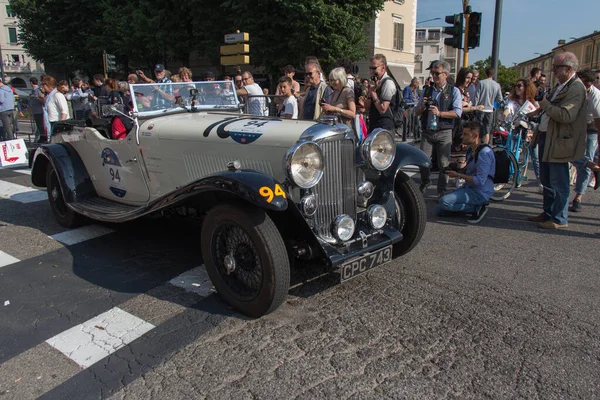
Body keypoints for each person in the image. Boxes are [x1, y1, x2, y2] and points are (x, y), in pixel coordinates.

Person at [528, 52, 587, 229]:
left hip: (559, 141)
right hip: (547, 137)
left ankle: (560, 219)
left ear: (569, 69)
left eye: (556, 67)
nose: (553, 70)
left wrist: (544, 103)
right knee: (547, 180)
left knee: (559, 181)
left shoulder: (576, 88)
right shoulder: (561, 85)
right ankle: (548, 213)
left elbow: (567, 115)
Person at [415, 60, 463, 198]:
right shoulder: (426, 90)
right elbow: (417, 111)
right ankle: (425, 182)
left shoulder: (454, 91)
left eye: (437, 73)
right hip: (428, 131)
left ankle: (441, 190)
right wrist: (422, 106)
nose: (434, 76)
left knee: (444, 163)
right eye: (432, 73)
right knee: (422, 160)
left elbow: (457, 113)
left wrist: (440, 113)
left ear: (445, 74)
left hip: (444, 131)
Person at [437, 121, 495, 223]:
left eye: (466, 134)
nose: (462, 137)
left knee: (444, 202)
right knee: (439, 210)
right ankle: (468, 208)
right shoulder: (471, 149)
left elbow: (479, 181)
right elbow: (469, 169)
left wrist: (458, 175)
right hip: (469, 188)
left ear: (475, 136)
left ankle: (477, 208)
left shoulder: (484, 153)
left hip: (480, 192)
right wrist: (456, 169)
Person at [568, 69, 600, 212]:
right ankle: (592, 166)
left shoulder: (595, 95)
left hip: (592, 129)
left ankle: (578, 197)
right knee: (569, 155)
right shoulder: (572, 88)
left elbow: (598, 122)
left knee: (587, 157)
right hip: (575, 127)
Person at [504, 78, 541, 191]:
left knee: (535, 156)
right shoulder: (512, 101)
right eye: (515, 86)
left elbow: (536, 115)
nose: (517, 88)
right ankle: (510, 173)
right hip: (515, 128)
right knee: (509, 149)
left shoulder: (532, 103)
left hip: (529, 130)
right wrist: (505, 117)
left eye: (519, 85)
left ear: (526, 88)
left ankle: (540, 181)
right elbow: (507, 109)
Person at [366, 53, 397, 132]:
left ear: (383, 68)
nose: (371, 71)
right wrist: (369, 94)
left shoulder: (388, 83)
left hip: (384, 127)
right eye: (370, 68)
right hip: (374, 125)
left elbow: (383, 109)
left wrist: (373, 94)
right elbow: (367, 108)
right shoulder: (376, 83)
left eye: (374, 68)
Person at [473, 67, 502, 144]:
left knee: (478, 128)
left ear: (486, 73)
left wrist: (474, 107)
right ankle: (485, 145)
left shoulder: (481, 83)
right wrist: (492, 101)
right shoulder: (497, 85)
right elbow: (500, 99)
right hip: (490, 109)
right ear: (493, 74)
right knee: (487, 130)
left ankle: (477, 145)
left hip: (480, 108)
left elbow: (477, 96)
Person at [29, 77, 45, 142]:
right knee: (38, 125)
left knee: (40, 125)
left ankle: (43, 137)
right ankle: (40, 137)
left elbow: (42, 99)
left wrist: (34, 97)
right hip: (35, 110)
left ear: (31, 82)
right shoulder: (33, 90)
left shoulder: (38, 90)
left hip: (39, 110)